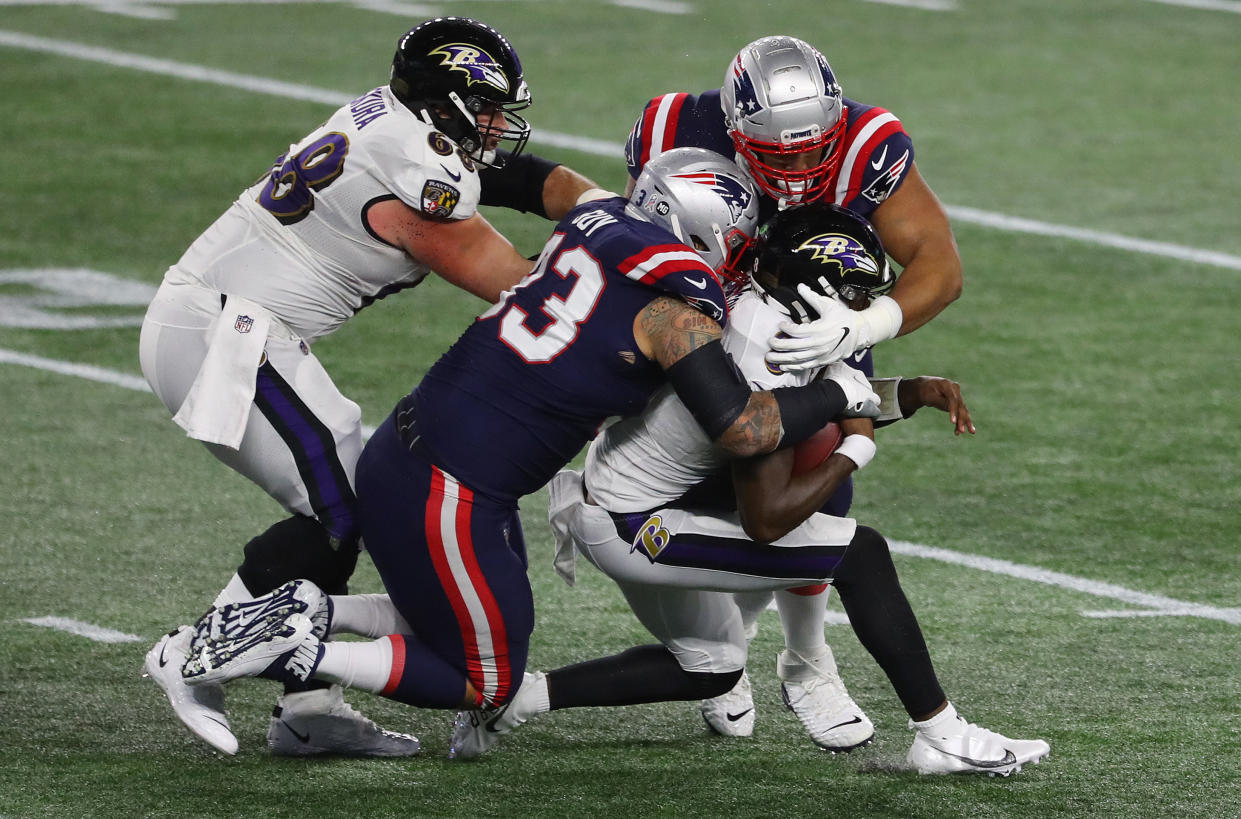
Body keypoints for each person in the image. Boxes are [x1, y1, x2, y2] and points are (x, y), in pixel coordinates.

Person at [173, 149, 885, 741]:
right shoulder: (674, 305)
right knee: (483, 680)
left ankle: (296, 607)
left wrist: (435, 169)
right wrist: (841, 395)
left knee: (451, 621)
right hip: (455, 487)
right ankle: (287, 650)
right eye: (732, 234)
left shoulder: (596, 214)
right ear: (695, 226)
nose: (736, 253)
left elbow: (527, 175)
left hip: (410, 446)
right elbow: (741, 426)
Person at [138, 16, 604, 758]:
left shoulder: (403, 130)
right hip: (223, 330)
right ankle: (196, 649)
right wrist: (617, 263)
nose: (496, 126)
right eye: (484, 109)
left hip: (238, 323)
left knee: (354, 502)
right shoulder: (417, 171)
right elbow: (516, 284)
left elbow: (520, 177)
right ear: (443, 102)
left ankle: (306, 710)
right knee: (345, 509)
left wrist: (605, 210)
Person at [448, 203, 1049, 777]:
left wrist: (910, 393)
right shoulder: (771, 351)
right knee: (860, 554)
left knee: (711, 668)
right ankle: (942, 736)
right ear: (816, 288)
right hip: (640, 525)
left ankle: (513, 701)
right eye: (857, 293)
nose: (865, 306)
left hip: (621, 495)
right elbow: (767, 517)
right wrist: (855, 451)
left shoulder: (759, 311)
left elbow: (830, 398)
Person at [624, 34, 965, 740]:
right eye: (783, 155)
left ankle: (806, 658)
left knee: (815, 469)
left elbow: (938, 260)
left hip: (812, 323)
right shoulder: (673, 129)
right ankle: (717, 651)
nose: (803, 171)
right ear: (736, 130)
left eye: (817, 151)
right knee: (683, 475)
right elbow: (641, 240)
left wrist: (866, 321)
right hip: (702, 313)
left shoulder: (867, 143)